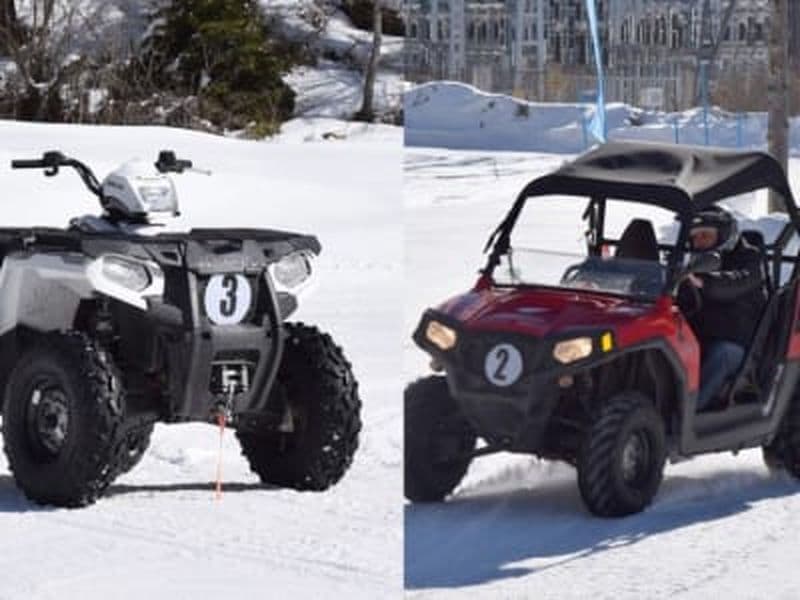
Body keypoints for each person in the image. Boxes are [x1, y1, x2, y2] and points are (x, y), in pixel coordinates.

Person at [683, 207, 766, 412]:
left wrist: (704, 282)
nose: (699, 242)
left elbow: (736, 281)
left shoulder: (750, 259)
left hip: (738, 343)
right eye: (695, 237)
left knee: (722, 354)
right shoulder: (697, 263)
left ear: (725, 235)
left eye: (705, 235)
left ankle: (691, 412)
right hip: (700, 336)